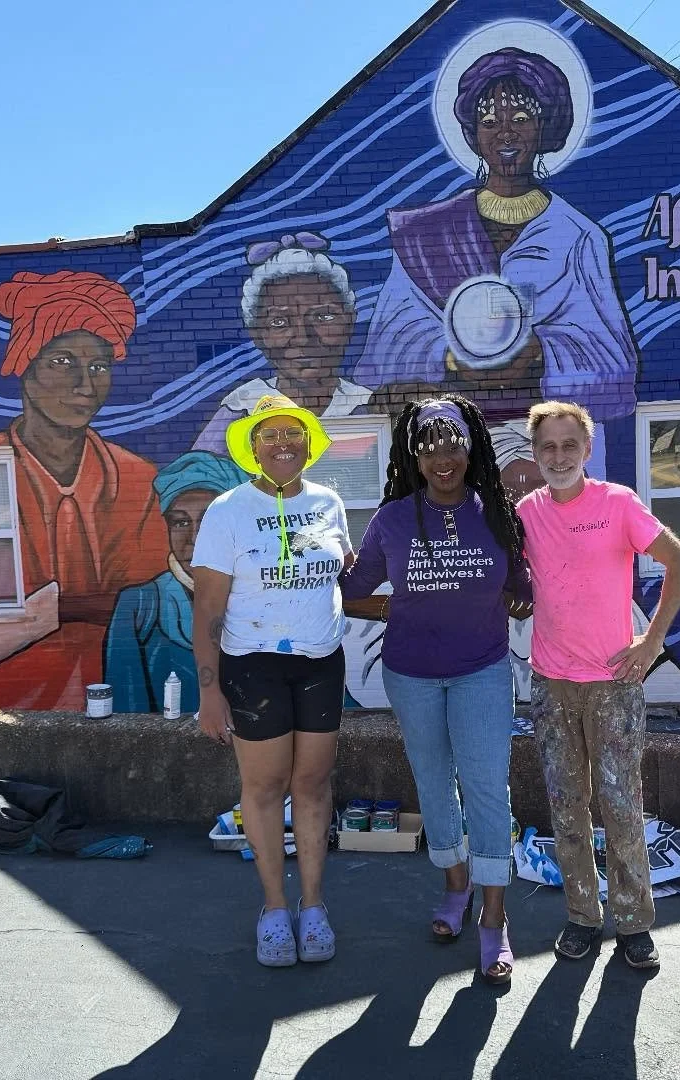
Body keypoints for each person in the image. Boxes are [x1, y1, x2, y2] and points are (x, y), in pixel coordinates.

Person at [340, 395, 531, 986]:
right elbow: (351, 591)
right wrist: (385, 605)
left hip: (481, 671)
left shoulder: (498, 513)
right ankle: (456, 886)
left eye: (452, 444)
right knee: (433, 785)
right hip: (412, 675)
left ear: (470, 447)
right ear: (413, 457)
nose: (442, 457)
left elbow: (523, 584)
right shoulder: (393, 519)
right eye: (429, 447)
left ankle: (494, 918)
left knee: (485, 787)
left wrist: (522, 597)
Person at [353, 46, 637, 424]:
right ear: (474, 134)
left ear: (545, 127)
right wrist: (453, 354)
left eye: (521, 118)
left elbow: (613, 366)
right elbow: (388, 346)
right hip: (446, 436)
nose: (505, 132)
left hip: (541, 438)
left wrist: (538, 350)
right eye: (488, 121)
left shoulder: (578, 238)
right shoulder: (424, 234)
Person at [516, 401, 680, 971]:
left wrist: (651, 645)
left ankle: (635, 923)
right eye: (548, 446)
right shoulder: (526, 512)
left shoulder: (617, 503)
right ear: (535, 453)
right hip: (551, 681)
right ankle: (582, 917)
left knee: (620, 804)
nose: (559, 456)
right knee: (567, 806)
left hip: (613, 682)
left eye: (570, 445)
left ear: (587, 450)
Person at [0, 270, 169, 711]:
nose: (85, 385)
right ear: (24, 365)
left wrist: (51, 607)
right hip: (0, 699)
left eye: (98, 366)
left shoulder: (137, 479)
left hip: (118, 694)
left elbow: (144, 603)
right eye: (63, 361)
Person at [190, 394, 352, 968]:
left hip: (319, 661)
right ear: (252, 446)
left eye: (293, 433)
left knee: (312, 785)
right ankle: (274, 909)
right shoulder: (227, 510)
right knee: (263, 788)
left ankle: (313, 908)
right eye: (269, 435)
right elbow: (207, 605)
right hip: (252, 664)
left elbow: (344, 572)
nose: (283, 443)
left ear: (309, 442)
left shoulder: (329, 502)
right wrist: (209, 692)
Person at [191, 232, 371, 453]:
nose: (303, 338)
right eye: (279, 322)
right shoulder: (244, 405)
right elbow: (200, 474)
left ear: (350, 321)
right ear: (258, 334)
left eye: (323, 316)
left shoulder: (364, 405)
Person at [103, 451, 248, 713]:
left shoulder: (268, 594)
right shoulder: (141, 606)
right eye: (180, 522)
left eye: (209, 520)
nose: (194, 537)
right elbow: (128, 714)